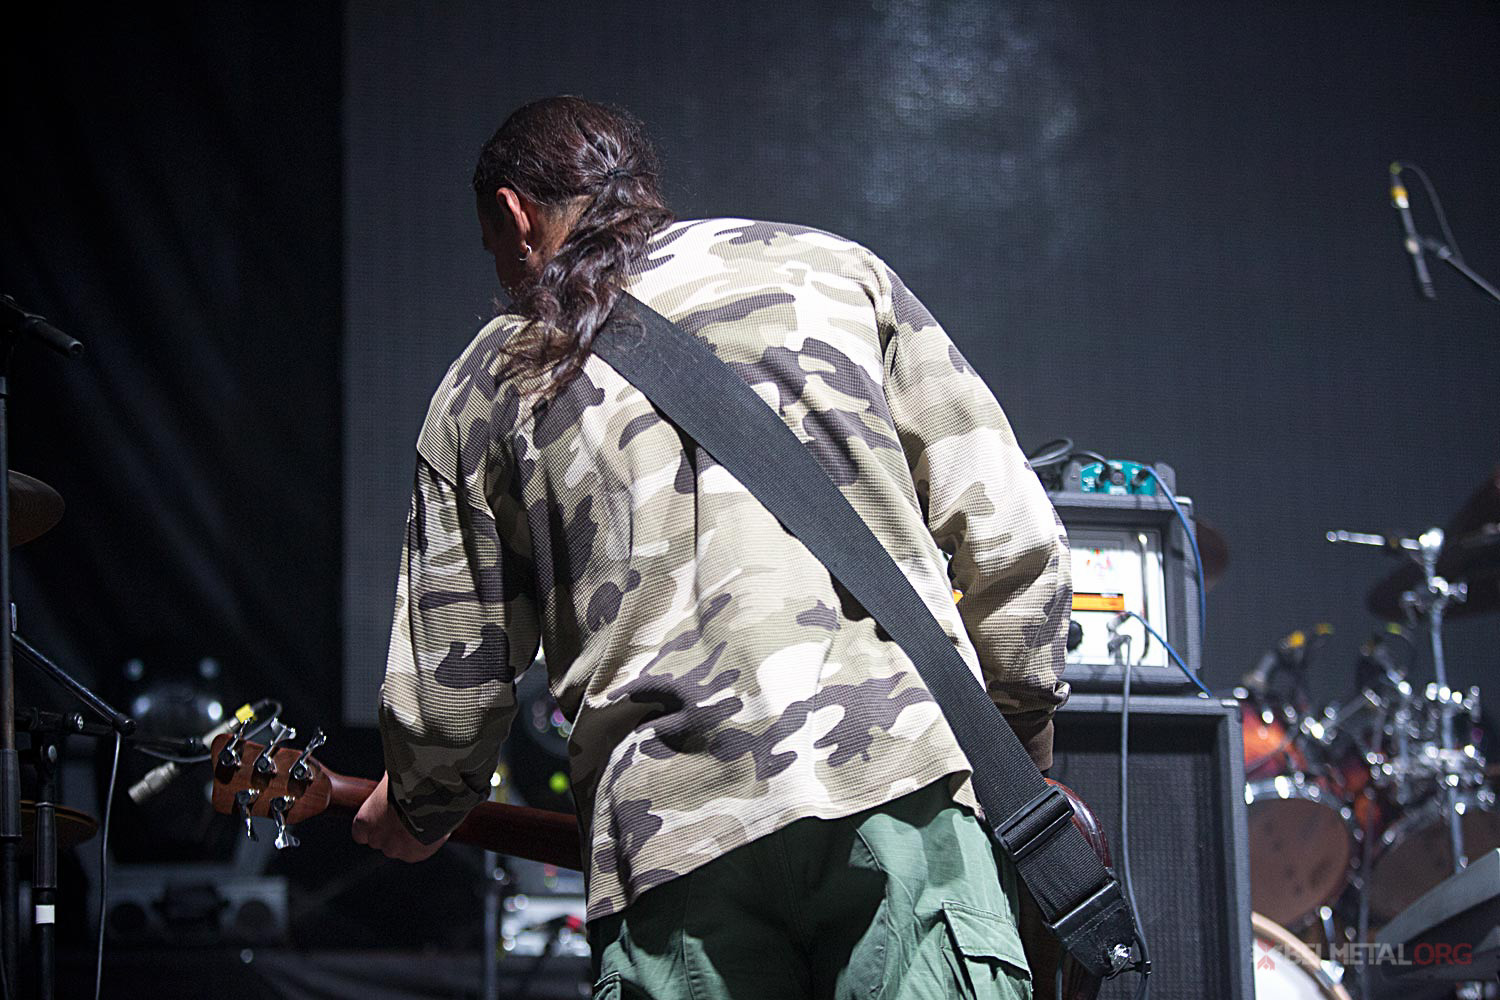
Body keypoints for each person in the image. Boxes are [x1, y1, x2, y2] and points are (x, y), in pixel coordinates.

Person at [353, 95, 1070, 1000]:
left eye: (494, 250)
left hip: (674, 845)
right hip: (899, 786)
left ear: (514, 216)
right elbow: (1014, 541)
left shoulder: (483, 385)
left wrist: (419, 807)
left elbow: (452, 689)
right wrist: (1015, 747)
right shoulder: (831, 271)